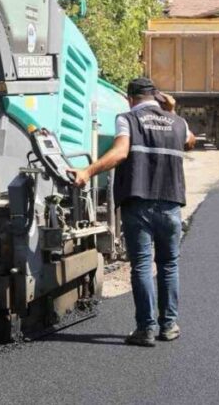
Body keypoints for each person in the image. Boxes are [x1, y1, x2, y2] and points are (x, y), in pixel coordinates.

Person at [70, 77, 195, 347]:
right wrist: (172, 111)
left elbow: (120, 152)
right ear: (157, 97)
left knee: (140, 265)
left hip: (138, 204)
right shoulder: (178, 122)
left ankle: (145, 329)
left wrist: (87, 171)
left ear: (130, 98)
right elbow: (190, 142)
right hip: (171, 203)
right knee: (169, 265)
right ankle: (169, 326)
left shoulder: (127, 119)